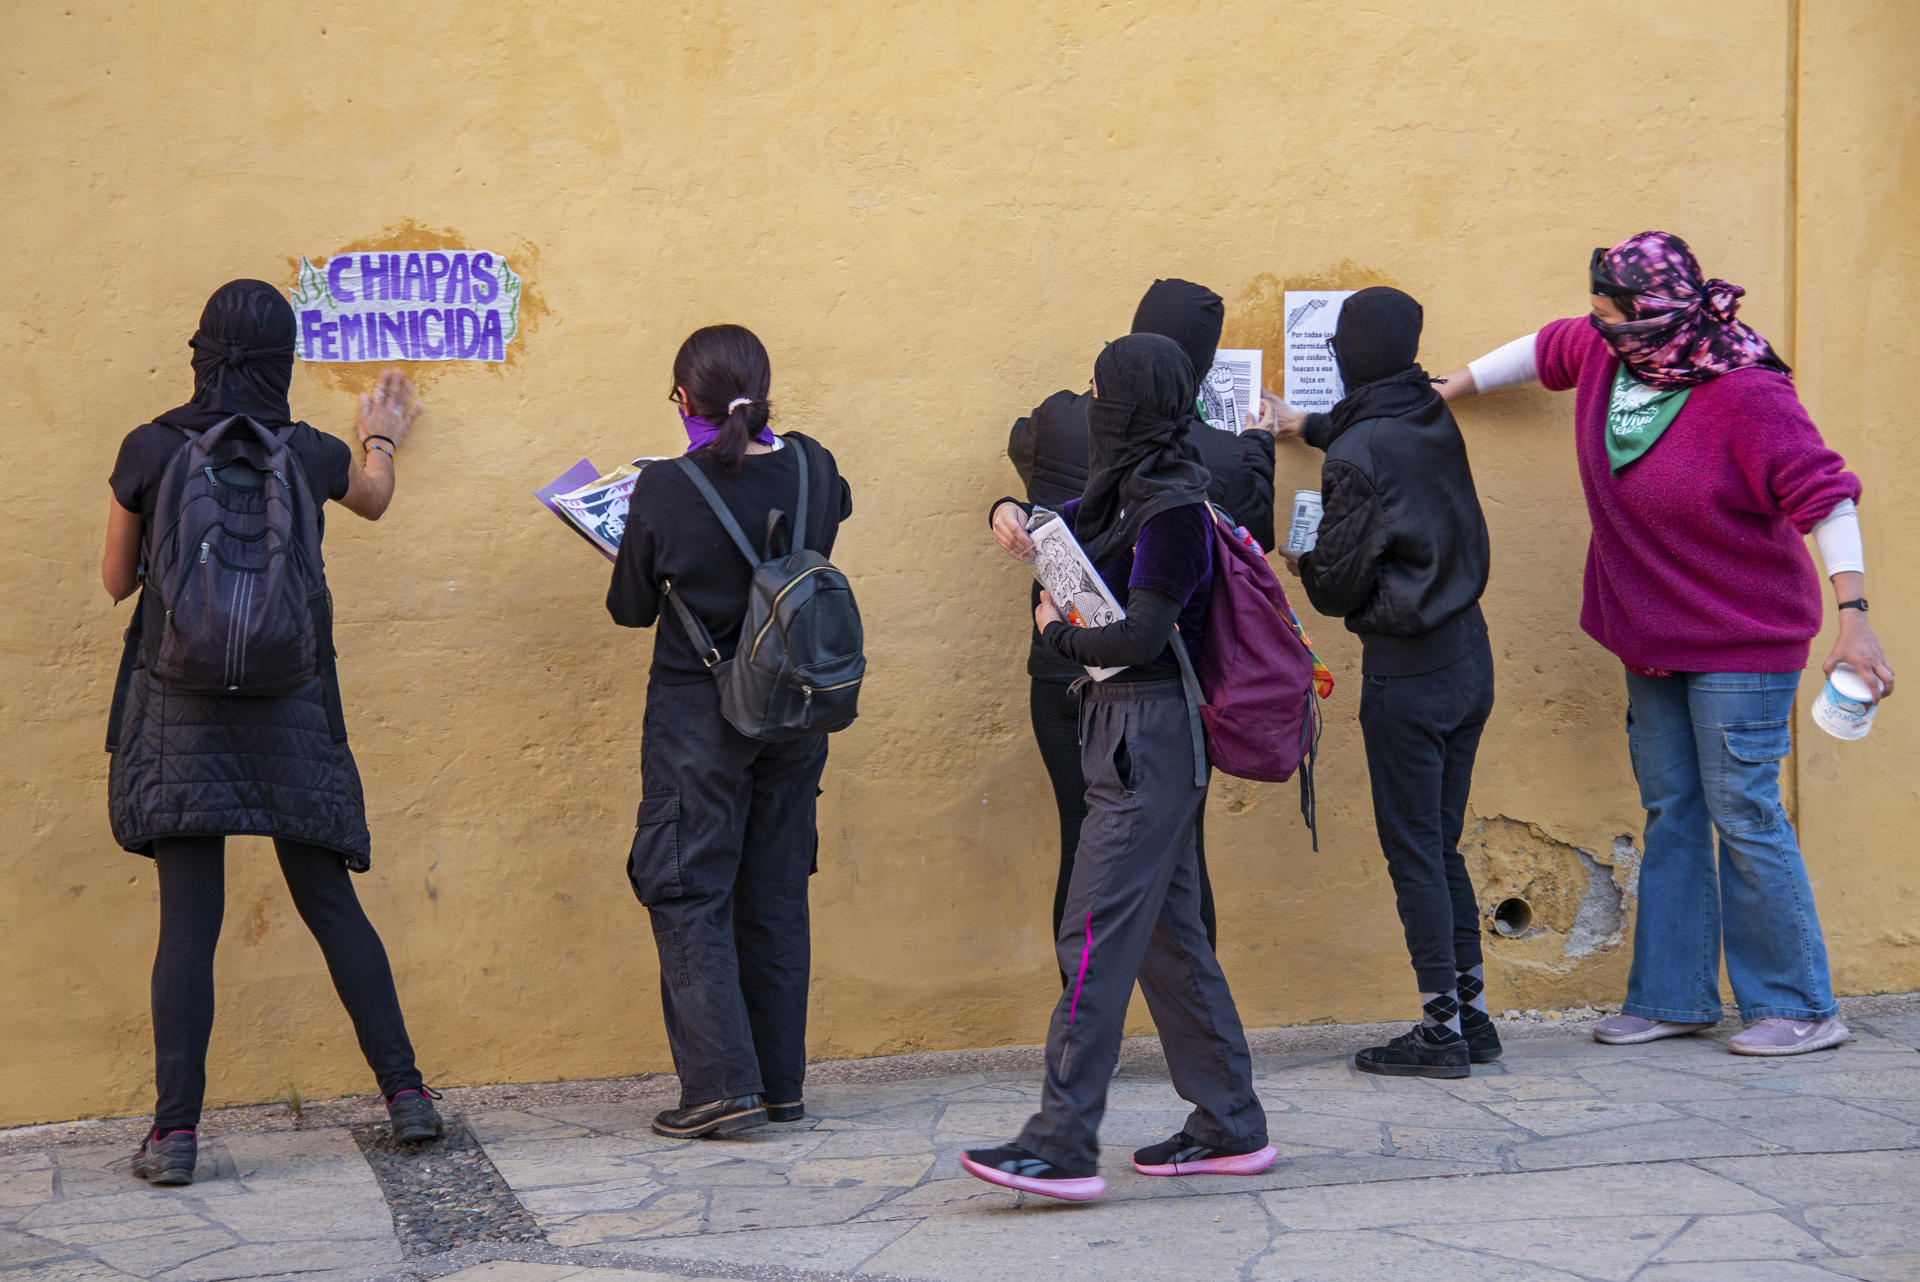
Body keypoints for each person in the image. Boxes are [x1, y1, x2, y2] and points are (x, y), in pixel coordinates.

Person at [1434, 231, 1894, 1056]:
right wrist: (1453, 388)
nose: (1596, 327)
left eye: (1610, 315)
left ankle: (1800, 1006)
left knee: (1742, 811)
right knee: (1672, 811)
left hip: (1742, 639)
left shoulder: (1747, 396)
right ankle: (1676, 996)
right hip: (1650, 635)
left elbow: (1825, 498)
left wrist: (1853, 615)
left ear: (1654, 316)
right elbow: (1543, 349)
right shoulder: (1612, 349)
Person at [103, 280, 437, 1186]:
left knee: (189, 927)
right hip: (291, 704)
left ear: (202, 352)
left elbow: (116, 581)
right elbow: (371, 499)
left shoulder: (148, 447)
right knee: (331, 904)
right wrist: (379, 438)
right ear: (283, 361)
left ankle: (174, 1139)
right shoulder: (308, 452)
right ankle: (407, 1098)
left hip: (180, 711)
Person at [967, 333, 1273, 1202]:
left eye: (1101, 392)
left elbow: (1142, 636)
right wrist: (1013, 514)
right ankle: (1229, 1124)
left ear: (1132, 407)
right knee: (1171, 941)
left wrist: (1056, 634)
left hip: (1150, 736)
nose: (1091, 403)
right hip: (1120, 732)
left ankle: (1060, 1143)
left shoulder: (1172, 506)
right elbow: (1058, 517)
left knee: (1092, 932)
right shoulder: (1121, 494)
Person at [607, 324, 854, 1138]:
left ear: (686, 402)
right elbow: (816, 535)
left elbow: (630, 607)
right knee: (776, 890)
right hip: (795, 706)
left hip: (699, 717)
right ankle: (778, 1085)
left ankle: (719, 1087)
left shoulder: (666, 489)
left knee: (687, 886)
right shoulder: (816, 463)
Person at [1006, 278, 1279, 970]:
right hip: (1164, 694)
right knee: (1181, 855)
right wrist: (1261, 446)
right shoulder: (1218, 459)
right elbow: (1256, 529)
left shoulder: (1059, 419)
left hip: (1061, 676)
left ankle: (1081, 1007)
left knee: (1083, 844)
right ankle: (1193, 1020)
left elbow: (1025, 450)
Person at [1276, 287, 1498, 1079]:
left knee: (1412, 851)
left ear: (1344, 355)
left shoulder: (1359, 452)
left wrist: (1305, 565)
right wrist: (1299, 424)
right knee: (1441, 844)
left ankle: (1439, 1032)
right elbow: (1365, 429)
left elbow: (1336, 584)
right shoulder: (1428, 411)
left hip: (1409, 674)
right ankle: (1471, 1015)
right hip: (1471, 658)